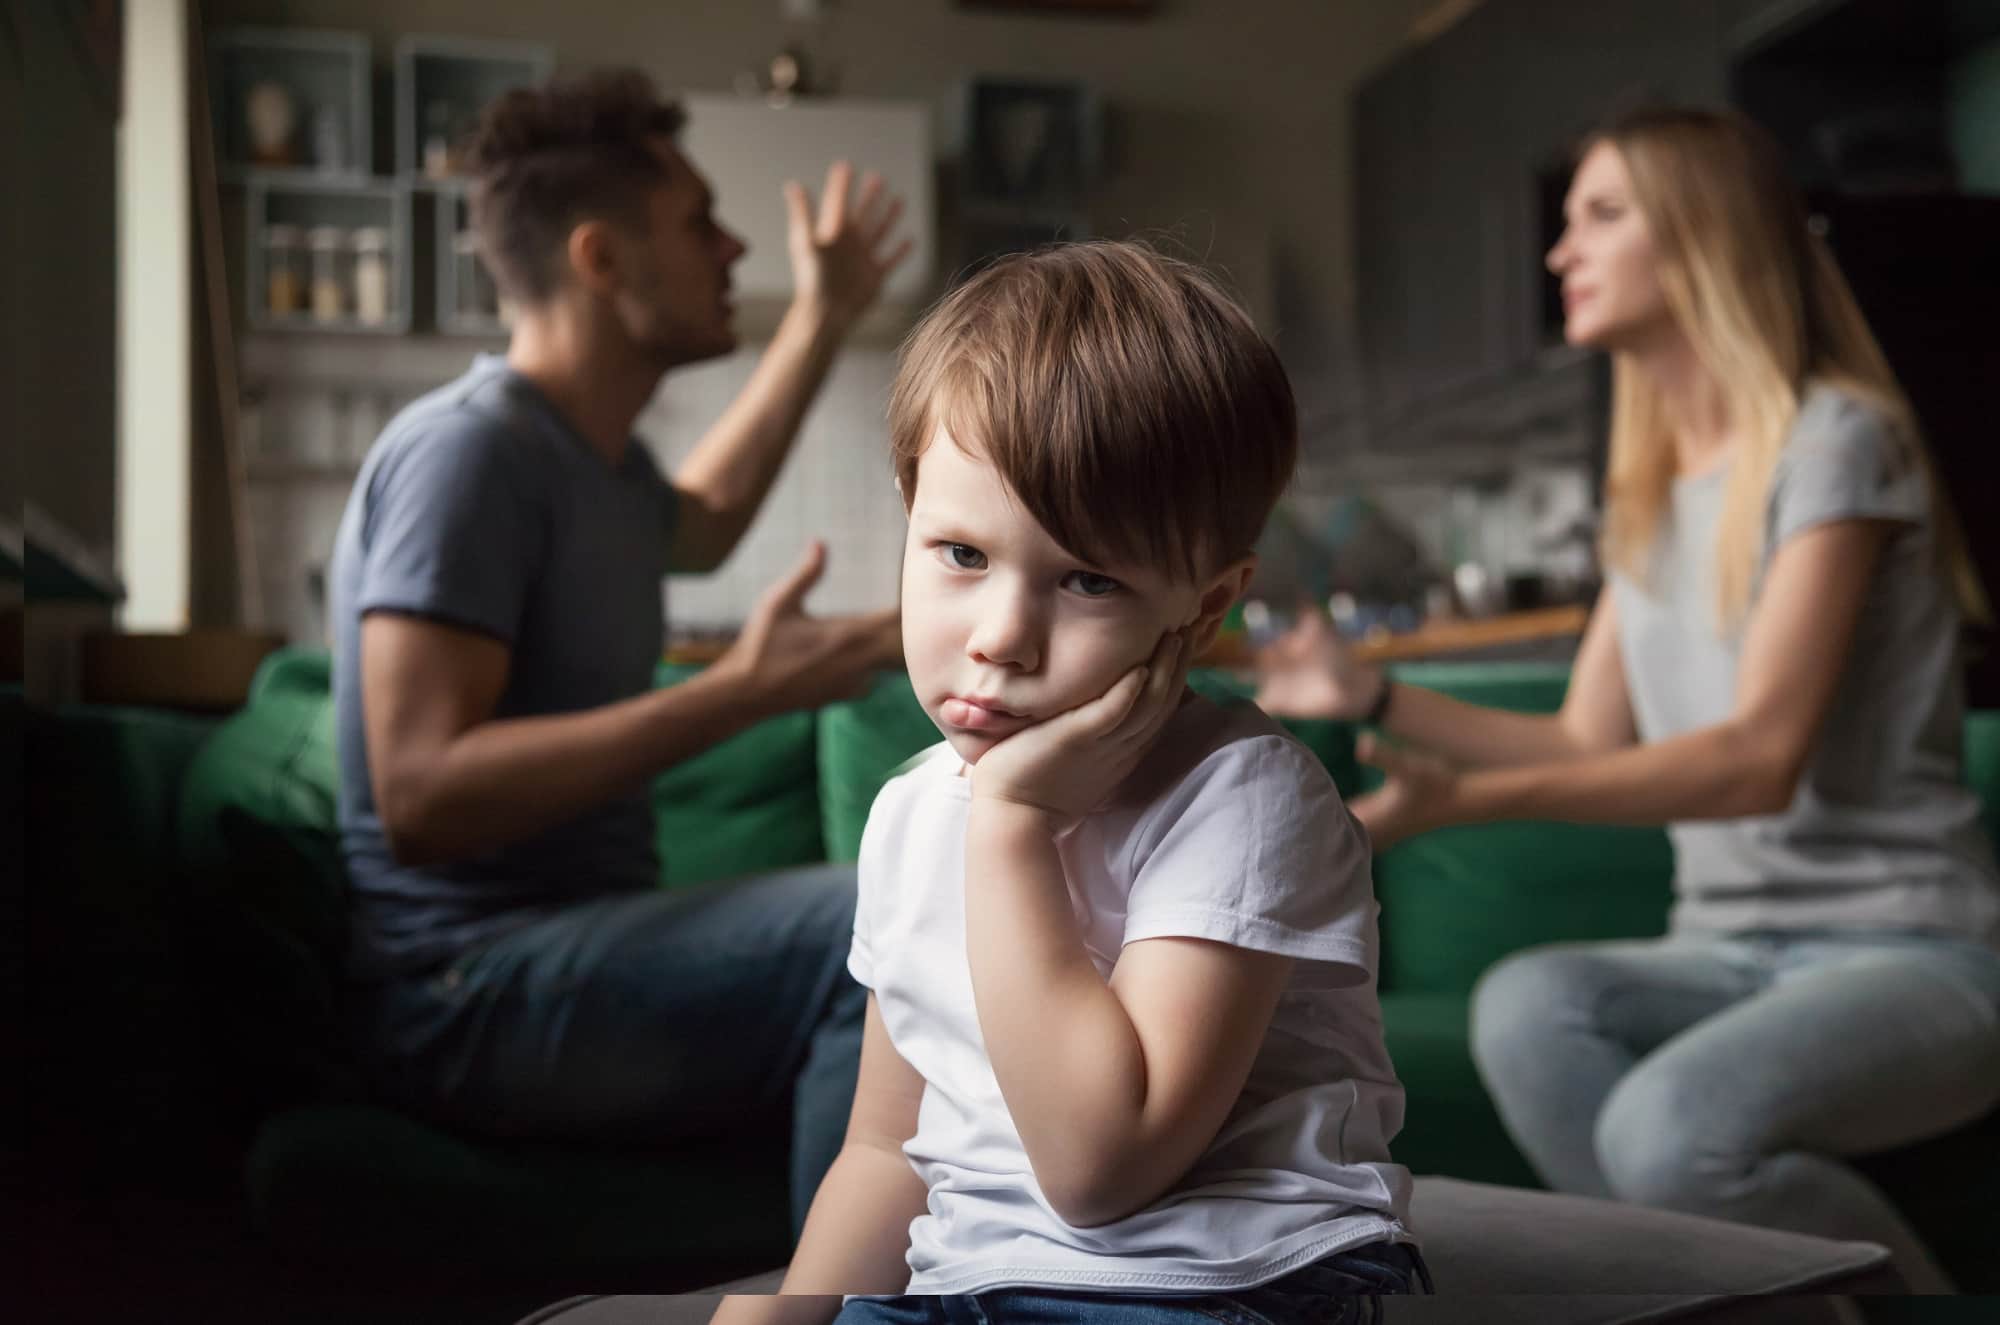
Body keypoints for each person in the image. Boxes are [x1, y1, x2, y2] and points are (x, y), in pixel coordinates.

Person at [1255, 106, 2000, 1292]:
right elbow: (1581, 735)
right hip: (1722, 949)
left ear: (1706, 235)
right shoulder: (1646, 493)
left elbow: (1756, 757)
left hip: (1909, 949)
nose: (1558, 253)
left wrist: (1460, 801)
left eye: (1599, 215)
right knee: (1526, 1001)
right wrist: (1373, 694)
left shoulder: (1835, 443)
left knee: (1666, 1127)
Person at [715, 241, 1426, 1325]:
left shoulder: (1241, 795)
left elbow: (1101, 1167)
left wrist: (1010, 825)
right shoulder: (912, 812)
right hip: (971, 1287)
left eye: (1086, 578)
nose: (1001, 636)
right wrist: (786, 1311)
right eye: (959, 553)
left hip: (1209, 1281)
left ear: (1202, 605)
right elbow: (883, 1142)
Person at [327, 68, 912, 1232]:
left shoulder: (599, 466)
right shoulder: (469, 455)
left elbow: (710, 511)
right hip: (463, 988)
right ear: (599, 259)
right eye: (698, 220)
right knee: (884, 925)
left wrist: (826, 313)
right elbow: (419, 794)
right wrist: (739, 696)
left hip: (554, 960)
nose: (733, 244)